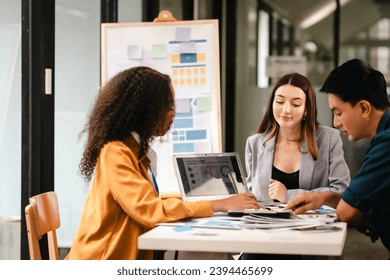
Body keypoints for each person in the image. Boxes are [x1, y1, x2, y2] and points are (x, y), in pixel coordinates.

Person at [65, 66, 259, 260]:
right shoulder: (116, 153)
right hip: (104, 260)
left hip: (131, 255)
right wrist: (218, 204)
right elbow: (149, 210)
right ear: (144, 109)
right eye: (167, 106)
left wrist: (210, 204)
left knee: (212, 255)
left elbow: (149, 202)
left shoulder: (134, 151)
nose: (172, 114)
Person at [285, 59, 390, 255]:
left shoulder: (386, 143)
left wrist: (361, 213)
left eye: (338, 113)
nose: (336, 123)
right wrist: (323, 197)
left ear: (364, 108)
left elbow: (345, 211)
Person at [245, 72, 350, 204]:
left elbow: (341, 191)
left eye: (296, 104)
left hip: (312, 223)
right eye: (280, 101)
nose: (286, 109)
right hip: (266, 223)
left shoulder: (328, 139)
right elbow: (251, 195)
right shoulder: (254, 143)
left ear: (307, 109)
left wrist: (288, 195)